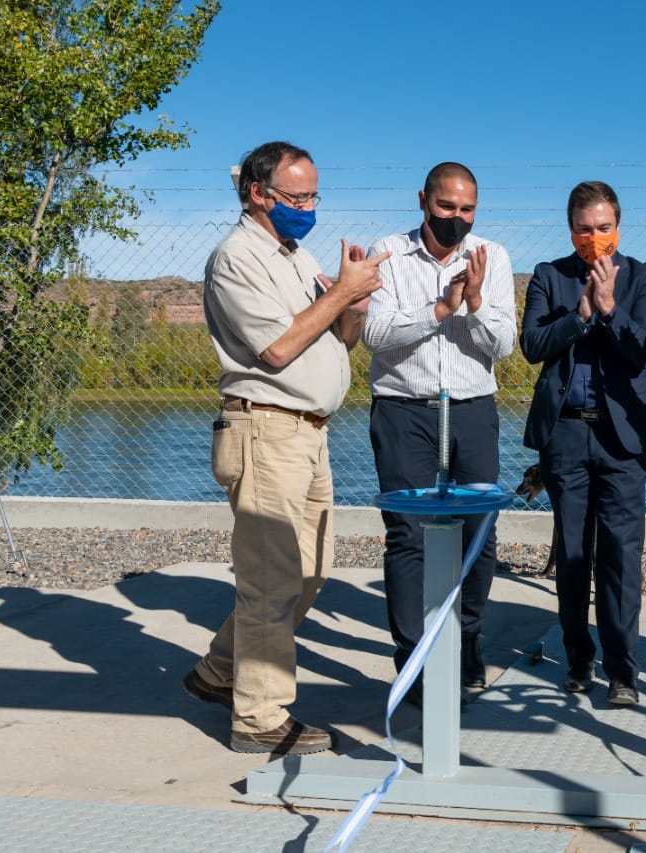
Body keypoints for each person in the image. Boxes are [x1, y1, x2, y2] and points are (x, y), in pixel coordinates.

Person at [184, 140, 388, 754]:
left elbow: (335, 341)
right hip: (265, 430)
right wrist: (338, 293)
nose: (309, 208)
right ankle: (258, 718)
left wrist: (354, 305)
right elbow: (276, 349)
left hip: (306, 433)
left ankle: (221, 671)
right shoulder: (236, 259)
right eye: (297, 198)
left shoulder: (295, 257)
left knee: (308, 572)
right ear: (258, 193)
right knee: (271, 580)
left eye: (313, 197)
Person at [363, 162, 516, 697]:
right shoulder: (388, 253)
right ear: (424, 200)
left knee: (479, 532)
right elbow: (375, 333)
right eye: (447, 206)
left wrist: (473, 304)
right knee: (408, 536)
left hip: (471, 409)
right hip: (404, 409)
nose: (457, 217)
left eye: (467, 209)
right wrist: (440, 308)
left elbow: (503, 345)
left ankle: (467, 639)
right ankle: (414, 659)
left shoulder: (492, 256)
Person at [520, 180, 646, 707]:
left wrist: (608, 309)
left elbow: (645, 351)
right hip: (565, 434)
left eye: (604, 227)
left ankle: (623, 671)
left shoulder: (642, 277)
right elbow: (532, 344)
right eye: (585, 229)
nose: (595, 237)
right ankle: (578, 658)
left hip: (622, 437)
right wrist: (580, 316)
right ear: (571, 230)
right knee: (574, 553)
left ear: (618, 226)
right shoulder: (549, 276)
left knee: (621, 557)